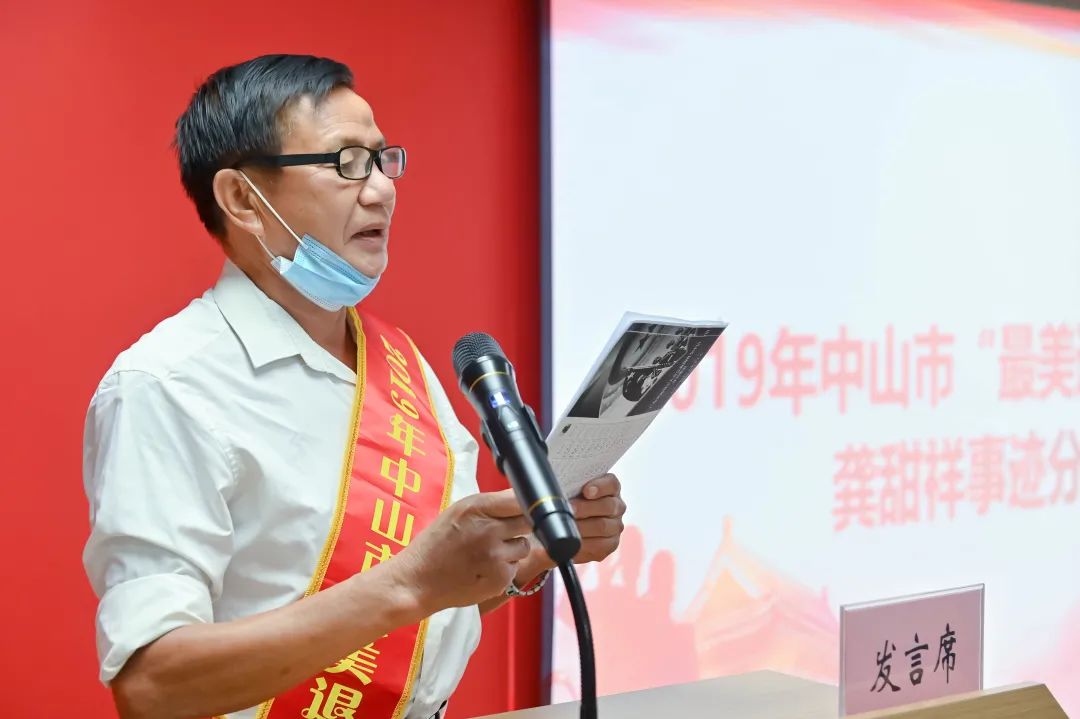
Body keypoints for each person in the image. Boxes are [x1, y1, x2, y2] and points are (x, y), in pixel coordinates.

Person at [82, 54, 627, 719]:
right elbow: (152, 684)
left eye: (382, 160)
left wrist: (530, 553)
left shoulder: (397, 359)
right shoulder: (165, 385)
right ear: (242, 199)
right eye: (346, 163)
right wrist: (407, 585)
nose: (380, 191)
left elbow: (419, 614)